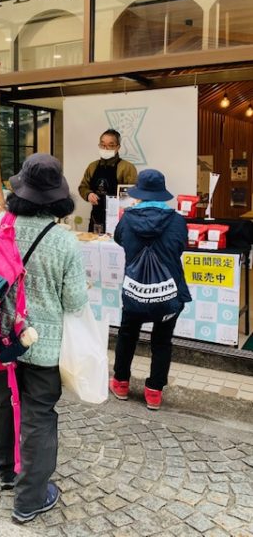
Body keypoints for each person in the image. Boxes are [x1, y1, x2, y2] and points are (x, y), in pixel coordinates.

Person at [0, 153, 88, 524]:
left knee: (1, 401)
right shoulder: (64, 242)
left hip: (0, 337)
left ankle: (5, 471)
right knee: (39, 415)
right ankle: (30, 499)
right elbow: (75, 301)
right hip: (42, 346)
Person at [110, 169, 191, 410]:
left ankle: (121, 383)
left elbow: (119, 239)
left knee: (127, 335)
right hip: (168, 293)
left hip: (135, 292)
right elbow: (180, 246)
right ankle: (154, 392)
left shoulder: (127, 218)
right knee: (162, 341)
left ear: (140, 193)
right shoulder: (177, 220)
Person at [79, 129, 137, 233]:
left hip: (119, 219)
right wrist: (88, 194)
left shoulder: (127, 167)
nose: (105, 148)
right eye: (102, 145)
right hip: (96, 217)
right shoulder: (92, 166)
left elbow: (133, 195)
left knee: (115, 248)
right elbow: (83, 187)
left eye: (110, 145)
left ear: (118, 147)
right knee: (95, 245)